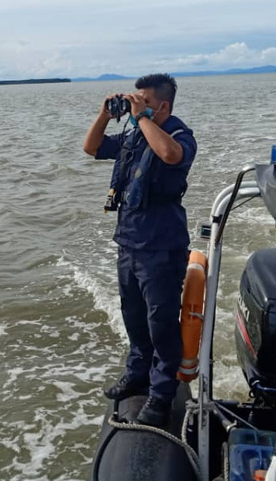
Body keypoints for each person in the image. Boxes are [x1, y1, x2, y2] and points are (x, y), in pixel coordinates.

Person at [82, 73, 197, 427]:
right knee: (133, 316)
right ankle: (137, 374)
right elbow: (91, 147)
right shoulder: (134, 135)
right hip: (129, 241)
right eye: (135, 101)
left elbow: (169, 154)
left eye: (143, 102)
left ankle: (162, 395)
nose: (136, 107)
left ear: (162, 105)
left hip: (161, 246)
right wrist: (104, 114)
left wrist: (143, 118)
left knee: (160, 323)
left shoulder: (179, 134)